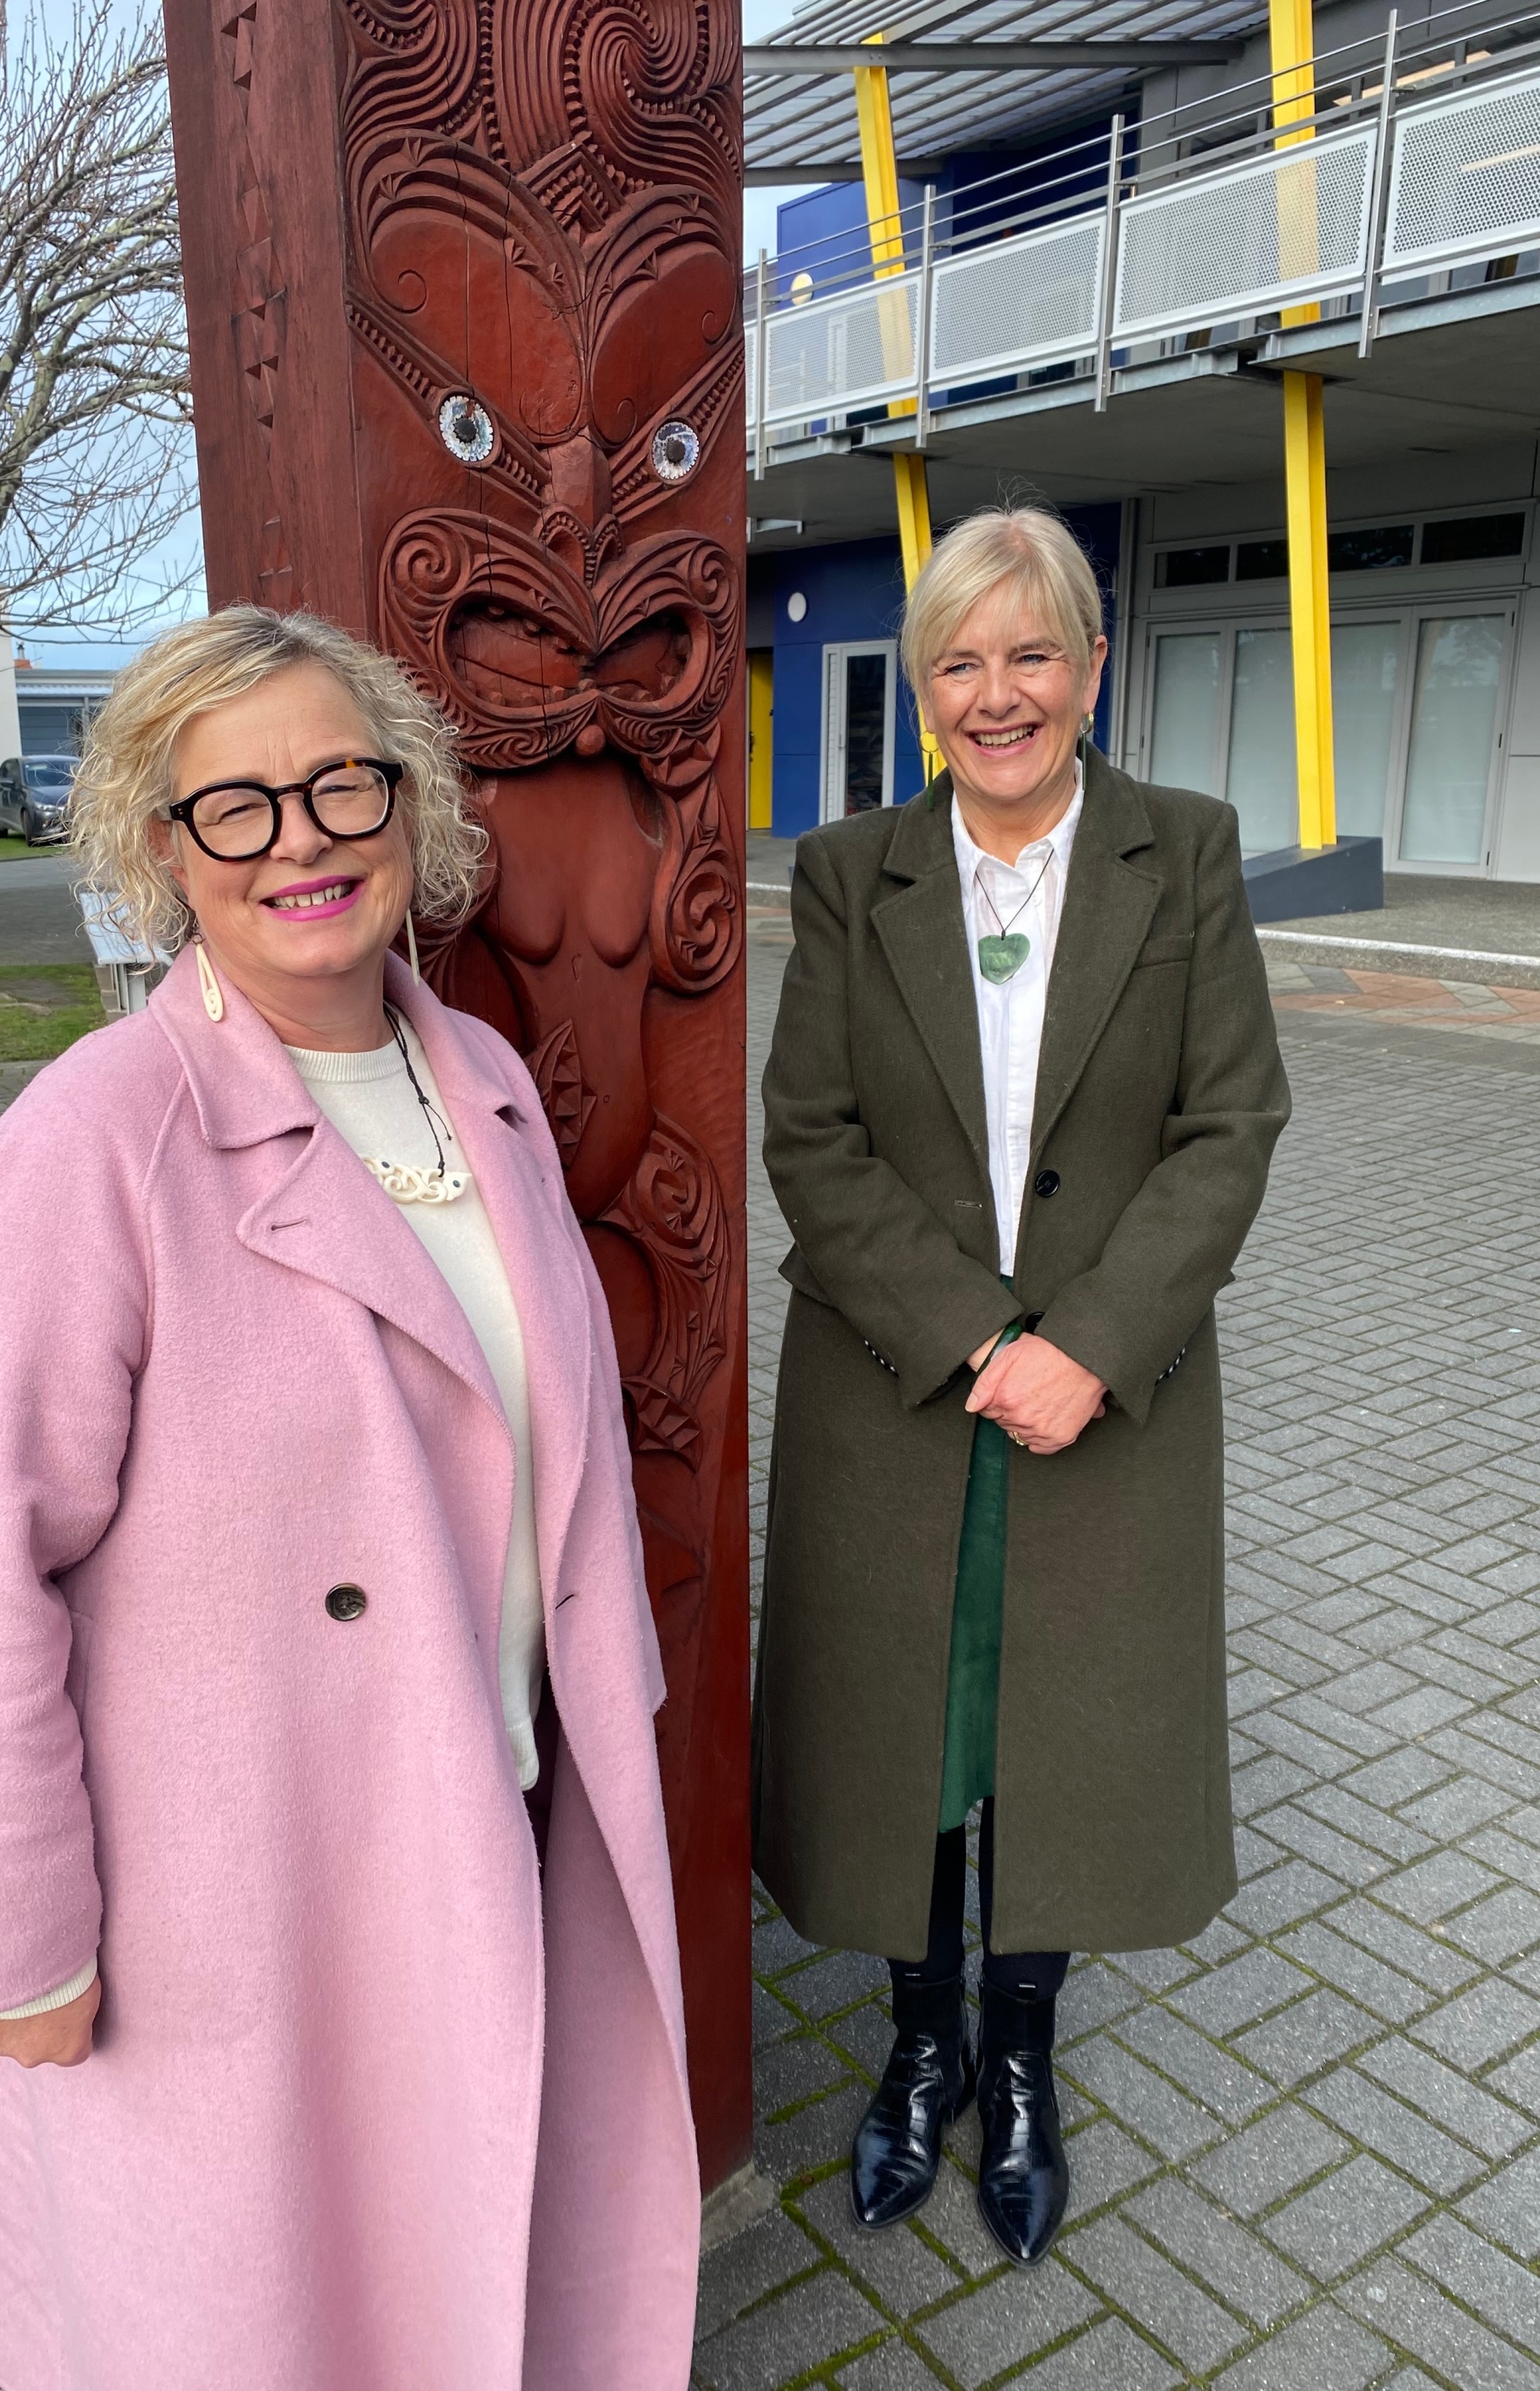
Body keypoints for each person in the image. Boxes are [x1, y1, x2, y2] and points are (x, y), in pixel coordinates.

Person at [0, 607, 700, 2390]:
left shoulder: (478, 1079)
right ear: (160, 850)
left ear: (408, 806)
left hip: (473, 1810)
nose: (303, 839)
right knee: (259, 2312)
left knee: (455, 2266)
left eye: (342, 782)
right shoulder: (85, 1146)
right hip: (226, 1900)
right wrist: (12, 1942)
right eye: (235, 805)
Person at [755, 505, 1290, 2265]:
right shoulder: (849, 873)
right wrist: (979, 1338)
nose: (996, 695)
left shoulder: (1183, 854)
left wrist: (1086, 1343)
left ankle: (1022, 2050)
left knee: (1045, 1729)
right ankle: (918, 2038)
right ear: (922, 690)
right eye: (958, 662)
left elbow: (1227, 1126)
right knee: (914, 1723)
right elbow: (811, 1139)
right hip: (896, 1387)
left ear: (1088, 663)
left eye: (1028, 653)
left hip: (1105, 1397)